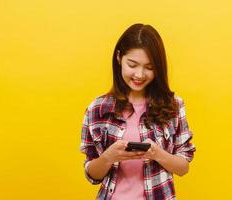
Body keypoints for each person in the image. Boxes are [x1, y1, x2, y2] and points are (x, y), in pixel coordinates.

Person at [80, 23, 196, 200]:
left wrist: (157, 153)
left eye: (149, 68)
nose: (140, 74)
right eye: (132, 64)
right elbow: (92, 175)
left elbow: (183, 168)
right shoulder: (97, 108)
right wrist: (108, 157)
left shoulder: (173, 105)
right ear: (119, 58)